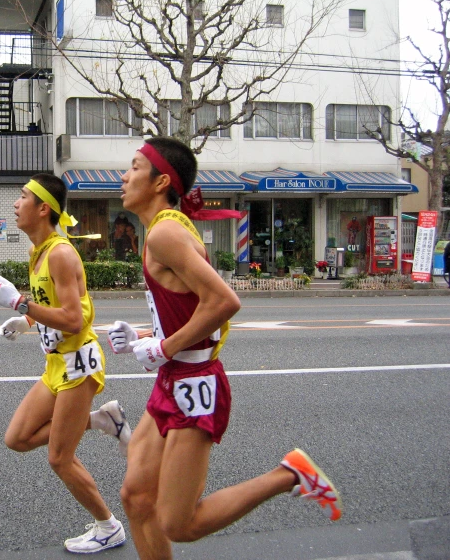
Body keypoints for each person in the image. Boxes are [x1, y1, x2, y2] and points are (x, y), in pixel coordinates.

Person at [107, 137, 342, 560]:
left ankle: (290, 473)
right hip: (173, 377)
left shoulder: (164, 234)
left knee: (180, 524)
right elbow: (191, 307)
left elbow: (224, 303)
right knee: (136, 497)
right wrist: (146, 336)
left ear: (161, 181)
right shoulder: (161, 230)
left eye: (134, 167)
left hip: (195, 383)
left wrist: (162, 347)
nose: (124, 176)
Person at [0, 173, 131, 554]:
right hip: (56, 365)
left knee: (59, 458)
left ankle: (109, 526)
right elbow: (52, 308)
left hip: (79, 365)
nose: (16, 204)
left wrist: (19, 303)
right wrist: (26, 321)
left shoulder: (61, 253)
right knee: (16, 438)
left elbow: (73, 319)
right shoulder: (38, 251)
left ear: (43, 209)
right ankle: (102, 420)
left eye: (22, 197)